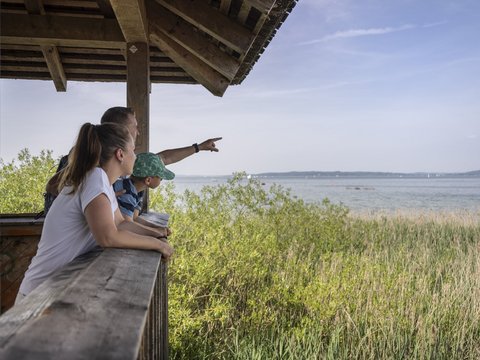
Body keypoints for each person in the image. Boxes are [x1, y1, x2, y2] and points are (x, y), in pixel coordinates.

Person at [17, 122, 174, 302]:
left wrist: (157, 235)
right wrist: (158, 245)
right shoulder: (95, 178)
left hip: (51, 290)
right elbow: (108, 237)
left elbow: (122, 223)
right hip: (37, 295)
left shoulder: (101, 181)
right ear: (120, 154)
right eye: (133, 150)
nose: (135, 157)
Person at [45, 106, 222, 203]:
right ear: (121, 129)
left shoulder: (122, 157)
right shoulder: (92, 154)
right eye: (135, 126)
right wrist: (100, 197)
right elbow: (54, 187)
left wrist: (198, 147)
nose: (138, 131)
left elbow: (163, 159)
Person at [114, 152, 174, 227]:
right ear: (148, 180)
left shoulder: (138, 191)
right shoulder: (127, 191)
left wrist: (156, 227)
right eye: (160, 178)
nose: (161, 180)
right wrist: (155, 233)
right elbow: (128, 225)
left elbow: (135, 218)